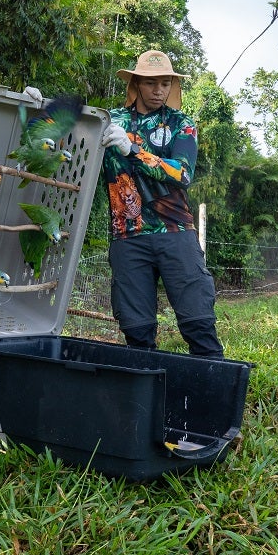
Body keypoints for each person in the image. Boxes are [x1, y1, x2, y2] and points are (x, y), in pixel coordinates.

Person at [100, 50, 224, 358]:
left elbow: (182, 173)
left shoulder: (182, 124)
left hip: (175, 230)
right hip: (127, 235)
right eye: (152, 83)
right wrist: (41, 109)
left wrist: (133, 151)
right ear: (138, 84)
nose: (159, 91)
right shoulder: (111, 121)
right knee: (136, 329)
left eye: (166, 83)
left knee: (198, 320)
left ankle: (211, 385)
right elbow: (69, 135)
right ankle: (146, 398)